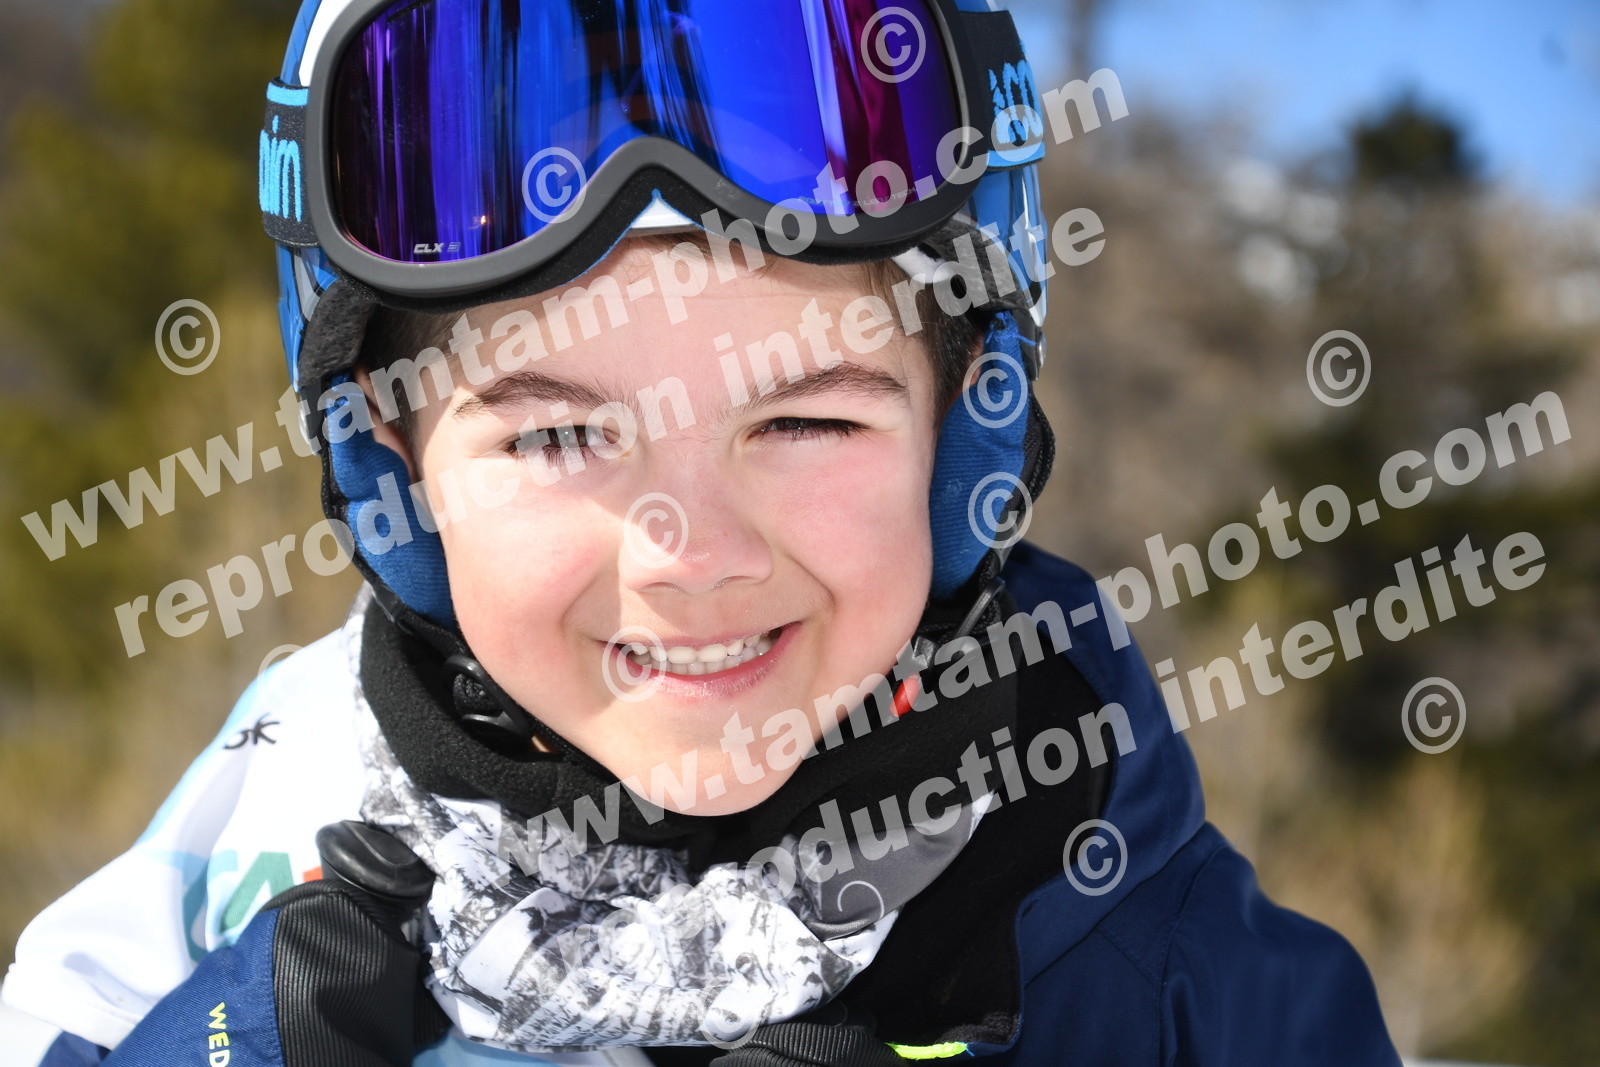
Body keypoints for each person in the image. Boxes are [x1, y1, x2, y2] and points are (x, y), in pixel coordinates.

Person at [3, 0, 1404, 1064]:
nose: (689, 554)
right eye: (558, 437)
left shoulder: (1172, 980)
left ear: (959, 438)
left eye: (806, 422)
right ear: (396, 471)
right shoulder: (256, 830)